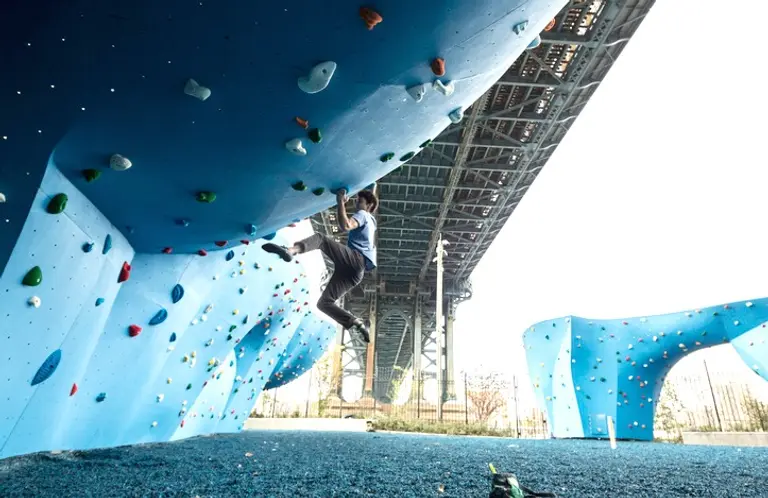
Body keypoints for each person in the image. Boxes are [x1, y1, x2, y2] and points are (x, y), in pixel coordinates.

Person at [261, 188, 378, 343]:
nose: (356, 202)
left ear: (369, 205)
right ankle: (356, 323)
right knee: (324, 303)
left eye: (360, 200)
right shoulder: (372, 224)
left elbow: (346, 226)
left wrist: (340, 202)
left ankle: (291, 251)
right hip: (356, 273)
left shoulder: (364, 215)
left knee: (321, 239)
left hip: (355, 260)